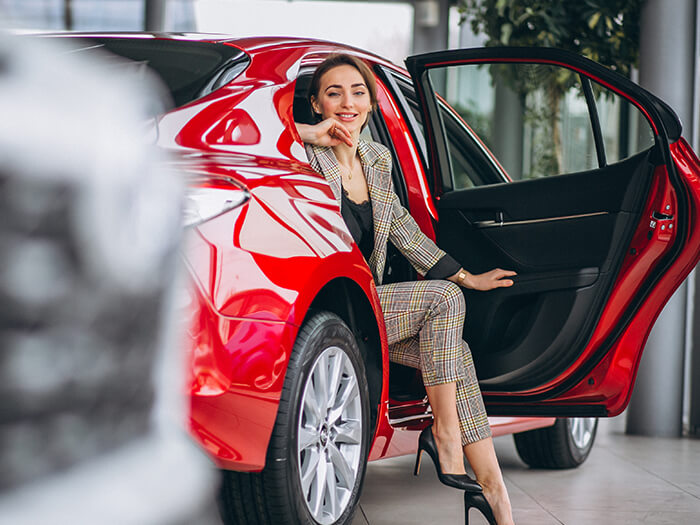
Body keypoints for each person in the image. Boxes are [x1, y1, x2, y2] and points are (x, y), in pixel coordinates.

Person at [296, 53, 516, 525]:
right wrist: (310, 134)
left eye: (357, 92)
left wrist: (468, 276)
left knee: (457, 354)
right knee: (443, 300)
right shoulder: (304, 156)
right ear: (316, 104)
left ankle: (496, 496)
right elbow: (251, 141)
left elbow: (402, 229)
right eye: (333, 93)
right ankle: (445, 437)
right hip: (333, 312)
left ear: (371, 103)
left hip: (369, 312)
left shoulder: (377, 159)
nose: (347, 103)